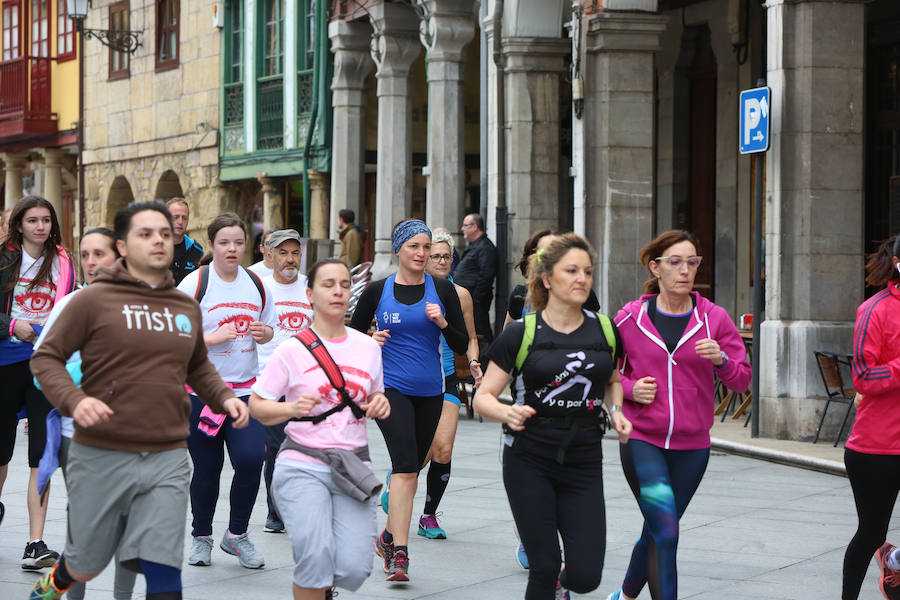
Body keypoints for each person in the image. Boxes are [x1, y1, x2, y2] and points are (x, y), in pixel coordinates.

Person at [28, 200, 249, 600]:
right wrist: (75, 401)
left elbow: (197, 365)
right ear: (124, 246)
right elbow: (46, 358)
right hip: (101, 452)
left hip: (167, 454)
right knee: (85, 562)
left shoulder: (184, 306)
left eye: (164, 233)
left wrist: (223, 397)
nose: (158, 241)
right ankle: (56, 582)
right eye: (145, 234)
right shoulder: (93, 300)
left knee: (163, 569)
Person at [473, 233, 631, 600]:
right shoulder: (521, 333)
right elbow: (483, 398)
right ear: (547, 279)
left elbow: (611, 380)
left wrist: (618, 410)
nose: (582, 279)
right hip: (529, 458)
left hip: (584, 458)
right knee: (543, 568)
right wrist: (506, 411)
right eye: (571, 271)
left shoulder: (605, 330)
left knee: (586, 575)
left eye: (588, 272)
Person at [606, 230, 750, 600]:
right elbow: (602, 370)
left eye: (692, 262)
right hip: (642, 440)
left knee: (657, 528)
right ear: (655, 268)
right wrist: (629, 386)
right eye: (675, 262)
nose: (685, 270)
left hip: (692, 448)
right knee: (666, 531)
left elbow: (742, 379)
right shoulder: (630, 318)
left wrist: (720, 359)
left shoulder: (714, 318)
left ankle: (624, 596)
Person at [249, 257, 391, 600]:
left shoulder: (368, 348)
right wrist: (291, 408)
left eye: (344, 284)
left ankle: (324, 589)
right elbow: (257, 405)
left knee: (355, 568)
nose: (338, 291)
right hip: (302, 463)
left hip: (352, 465)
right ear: (310, 294)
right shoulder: (291, 350)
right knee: (314, 558)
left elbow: (375, 395)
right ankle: (316, 585)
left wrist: (381, 404)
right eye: (328, 284)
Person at [349, 219, 468, 582]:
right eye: (414, 246)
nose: (421, 253)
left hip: (431, 391)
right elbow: (350, 338)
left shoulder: (443, 290)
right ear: (398, 249)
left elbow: (462, 345)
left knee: (413, 469)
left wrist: (444, 323)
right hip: (391, 389)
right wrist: (371, 337)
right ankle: (399, 554)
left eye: (426, 247)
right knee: (403, 466)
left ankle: (386, 536)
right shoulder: (377, 290)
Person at [32, 227, 138, 600]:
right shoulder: (67, 306)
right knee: (85, 528)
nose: (92, 263)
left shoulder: (141, 307)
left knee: (128, 525)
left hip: (130, 436)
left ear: (120, 256)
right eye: (86, 255)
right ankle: (64, 594)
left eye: (101, 254)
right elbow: (41, 367)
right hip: (76, 436)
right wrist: (77, 390)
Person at [176, 212, 276, 570]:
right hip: (201, 393)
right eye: (224, 243)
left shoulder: (257, 283)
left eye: (238, 242)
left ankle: (236, 536)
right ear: (213, 244)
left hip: (246, 393)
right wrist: (212, 338)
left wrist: (265, 334)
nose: (232, 249)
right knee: (207, 468)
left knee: (251, 460)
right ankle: (201, 536)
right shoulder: (194, 284)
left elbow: (270, 326)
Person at [0, 195, 76, 571]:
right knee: (0, 453)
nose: (41, 226)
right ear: (19, 225)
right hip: (4, 363)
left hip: (45, 365)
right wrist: (13, 326)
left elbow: (73, 307)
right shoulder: (4, 259)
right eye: (32, 220)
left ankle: (35, 542)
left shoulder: (64, 261)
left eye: (46, 220)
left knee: (41, 456)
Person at [842, 235, 900, 600]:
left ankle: (893, 562)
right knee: (871, 532)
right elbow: (863, 375)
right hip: (877, 449)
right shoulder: (875, 309)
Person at [416, 229, 482, 540]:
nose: (442, 261)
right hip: (413, 379)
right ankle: (402, 475)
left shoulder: (462, 295)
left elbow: (469, 336)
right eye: (436, 256)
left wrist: (473, 362)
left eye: (447, 256)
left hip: (446, 377)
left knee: (443, 449)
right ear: (424, 259)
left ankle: (429, 515)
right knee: (419, 449)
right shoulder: (409, 290)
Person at [258, 229, 314, 534]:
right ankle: (276, 510)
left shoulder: (311, 289)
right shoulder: (260, 290)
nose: (290, 258)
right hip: (272, 381)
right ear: (270, 255)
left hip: (307, 382)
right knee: (277, 448)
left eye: (295, 252)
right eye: (283, 253)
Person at [504, 229, 600, 327]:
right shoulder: (520, 296)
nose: (582, 279)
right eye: (546, 253)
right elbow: (507, 338)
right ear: (532, 259)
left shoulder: (583, 294)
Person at [454, 213, 497, 343]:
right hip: (469, 300)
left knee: (480, 333)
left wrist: (475, 298)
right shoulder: (475, 246)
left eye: (465, 225)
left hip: (476, 302)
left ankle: (486, 359)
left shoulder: (485, 247)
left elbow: (486, 275)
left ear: (475, 227)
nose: (462, 229)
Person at [167, 198, 203, 286]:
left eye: (184, 218)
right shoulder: (155, 248)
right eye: (175, 217)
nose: (180, 222)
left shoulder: (197, 250)